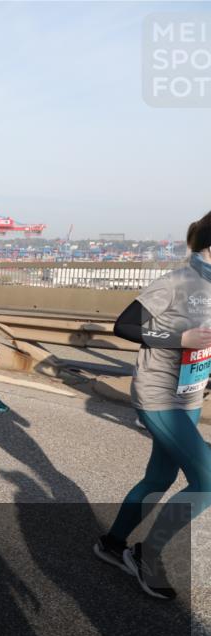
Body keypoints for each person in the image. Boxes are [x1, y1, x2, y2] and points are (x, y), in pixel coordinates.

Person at [95, 211, 211, 600]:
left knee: (159, 478)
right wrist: (180, 338)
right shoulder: (177, 281)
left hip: (189, 395)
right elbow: (125, 325)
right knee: (207, 481)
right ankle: (148, 554)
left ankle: (111, 544)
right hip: (159, 394)